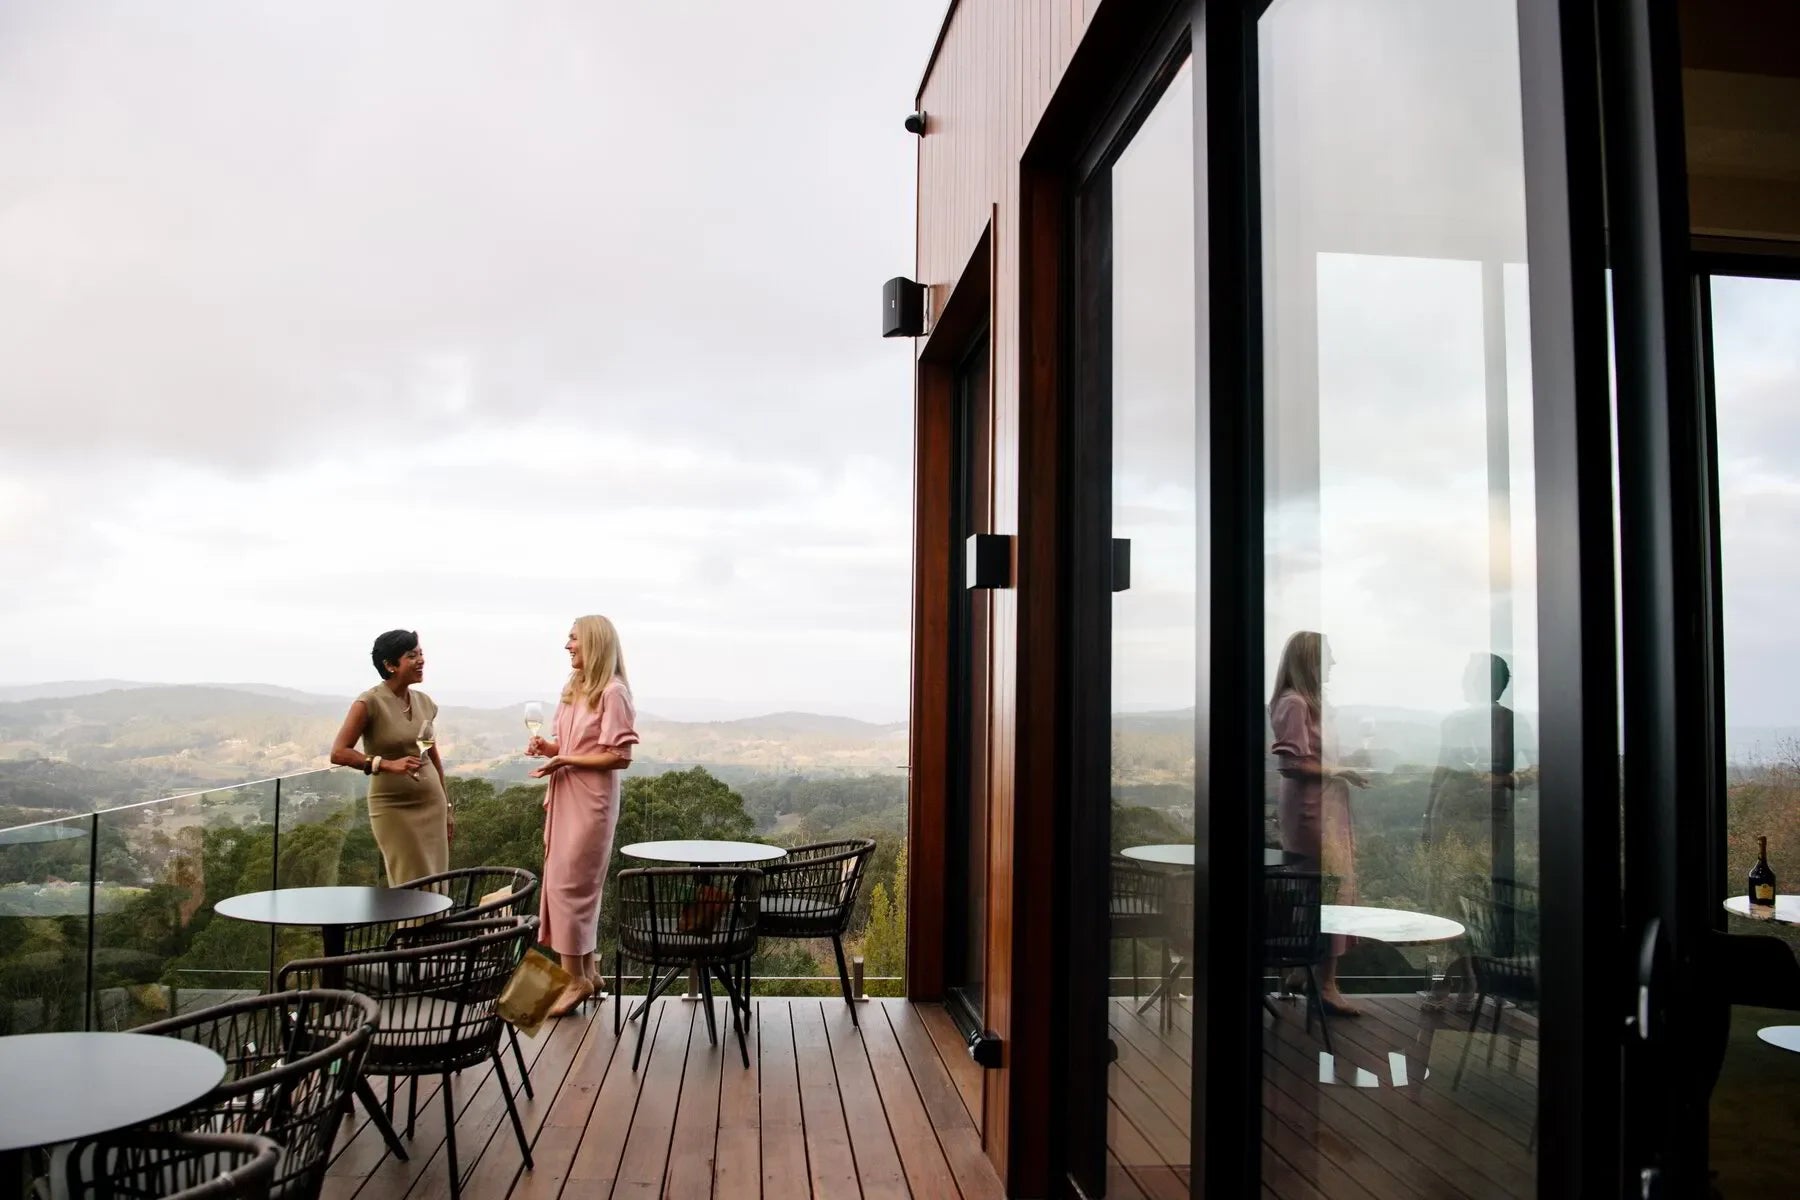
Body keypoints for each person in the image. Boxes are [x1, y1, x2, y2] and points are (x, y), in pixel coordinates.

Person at [527, 614, 639, 1016]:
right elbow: (571, 744)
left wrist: (564, 759)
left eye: (573, 638)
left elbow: (618, 756)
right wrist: (549, 748)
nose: (567, 645)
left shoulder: (613, 692)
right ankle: (587, 974)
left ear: (593, 642)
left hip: (591, 801)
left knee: (570, 887)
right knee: (561, 882)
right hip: (566, 795)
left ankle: (573, 980)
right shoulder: (575, 689)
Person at [1269, 630, 1368, 1016]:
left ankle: (1304, 971)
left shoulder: (1309, 702)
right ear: (1310, 659)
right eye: (1328, 656)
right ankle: (1325, 984)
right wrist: (1340, 769)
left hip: (1323, 804)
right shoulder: (1295, 703)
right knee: (1330, 888)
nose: (1333, 663)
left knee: (1319, 890)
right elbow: (1291, 763)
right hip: (1313, 808)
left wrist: (1345, 765)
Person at [329, 629, 453, 886]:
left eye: (421, 654)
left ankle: (437, 927)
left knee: (438, 880)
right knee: (410, 882)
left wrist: (447, 806)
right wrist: (384, 764)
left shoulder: (425, 702)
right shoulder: (368, 703)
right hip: (393, 807)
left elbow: (432, 754)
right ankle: (411, 928)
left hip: (432, 803)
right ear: (390, 665)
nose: (421, 660)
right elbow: (339, 752)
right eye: (412, 655)